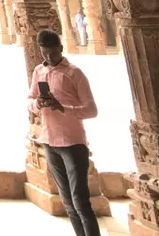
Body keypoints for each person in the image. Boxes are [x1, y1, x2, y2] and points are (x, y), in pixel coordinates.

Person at [29, 29, 100, 236]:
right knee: (68, 202)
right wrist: (37, 103)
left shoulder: (74, 73)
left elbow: (91, 110)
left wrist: (63, 108)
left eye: (53, 53)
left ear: (60, 48)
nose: (49, 58)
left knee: (81, 202)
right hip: (50, 142)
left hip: (73, 142)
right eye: (45, 54)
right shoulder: (39, 72)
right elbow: (29, 99)